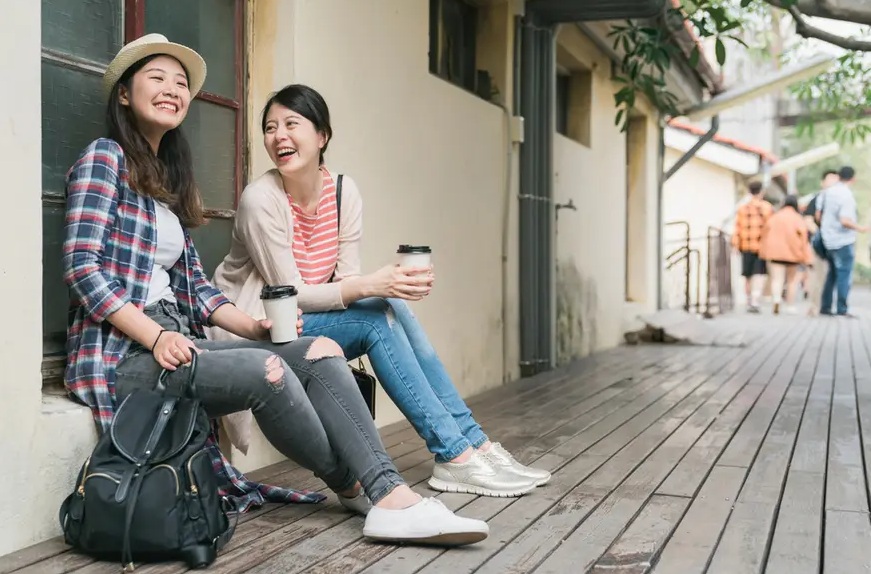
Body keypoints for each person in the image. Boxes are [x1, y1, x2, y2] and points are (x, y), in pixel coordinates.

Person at [63, 34, 488, 547]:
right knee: (268, 371)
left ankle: (383, 491)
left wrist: (256, 327)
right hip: (126, 354)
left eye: (181, 83)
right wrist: (154, 337)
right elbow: (83, 270)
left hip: (180, 342)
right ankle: (367, 487)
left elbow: (196, 290)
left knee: (320, 349)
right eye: (157, 78)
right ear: (125, 95)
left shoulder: (165, 183)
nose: (173, 89)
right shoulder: (103, 159)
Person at [211, 84, 549, 497]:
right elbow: (289, 294)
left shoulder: (342, 190)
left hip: (307, 320)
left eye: (291, 124)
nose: (279, 135)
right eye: (270, 127)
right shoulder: (260, 199)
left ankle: (472, 444)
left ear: (322, 136)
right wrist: (372, 285)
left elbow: (347, 283)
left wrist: (386, 286)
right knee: (376, 310)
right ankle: (454, 453)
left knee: (386, 306)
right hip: (257, 325)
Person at [819, 166, 868, 316]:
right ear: (853, 179)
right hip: (843, 241)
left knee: (832, 274)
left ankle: (825, 307)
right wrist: (861, 228)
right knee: (844, 275)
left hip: (828, 239)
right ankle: (842, 308)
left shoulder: (827, 193)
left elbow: (818, 215)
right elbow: (845, 220)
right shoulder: (846, 195)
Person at [759, 195, 812, 315]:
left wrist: (763, 252)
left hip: (775, 253)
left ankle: (776, 300)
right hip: (793, 254)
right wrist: (806, 257)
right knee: (791, 281)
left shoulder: (774, 217)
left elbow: (765, 234)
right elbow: (804, 239)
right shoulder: (798, 218)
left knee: (777, 279)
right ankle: (790, 305)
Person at [732, 181, 773, 313]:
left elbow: (737, 228)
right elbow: (770, 228)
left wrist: (735, 244)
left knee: (748, 275)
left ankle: (749, 300)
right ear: (761, 192)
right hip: (761, 247)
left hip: (745, 246)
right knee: (759, 274)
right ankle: (755, 300)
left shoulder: (742, 208)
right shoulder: (767, 208)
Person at [803, 170, 839, 316]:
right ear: (822, 182)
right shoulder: (817, 199)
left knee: (833, 277)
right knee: (818, 276)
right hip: (820, 246)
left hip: (837, 244)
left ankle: (827, 306)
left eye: (836, 181)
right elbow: (807, 220)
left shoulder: (840, 200)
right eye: (830, 180)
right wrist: (821, 234)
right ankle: (814, 306)